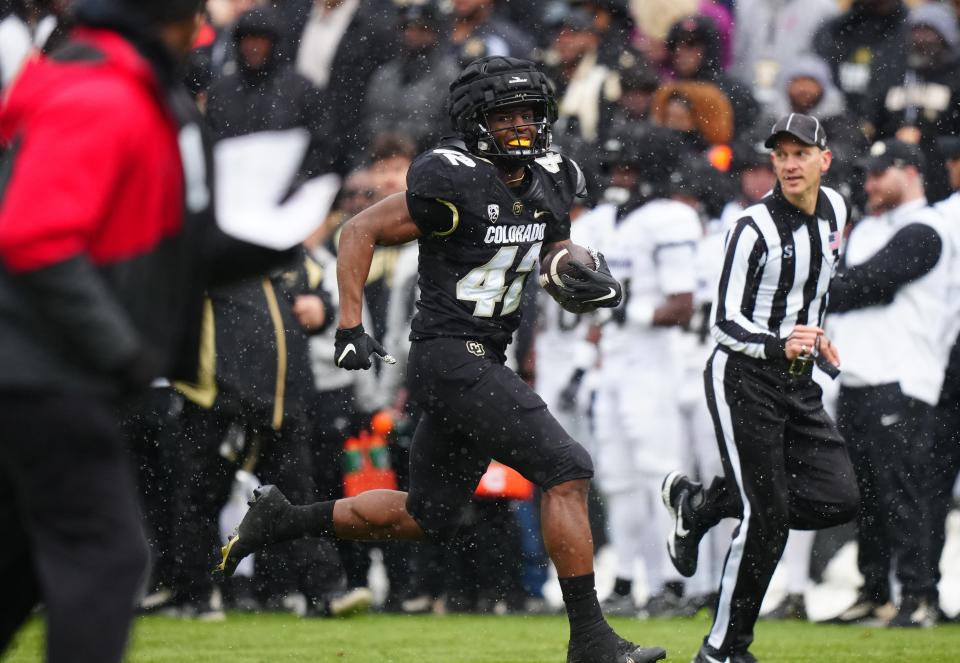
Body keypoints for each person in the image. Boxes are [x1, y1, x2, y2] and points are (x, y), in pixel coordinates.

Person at [218, 55, 667, 663]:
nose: (522, 128)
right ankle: (591, 639)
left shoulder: (552, 175)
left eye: (530, 114)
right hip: (451, 356)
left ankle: (284, 519)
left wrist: (580, 273)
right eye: (506, 117)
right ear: (476, 121)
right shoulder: (452, 179)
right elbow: (358, 231)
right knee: (568, 468)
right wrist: (349, 323)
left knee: (424, 515)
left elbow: (553, 247)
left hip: (482, 357)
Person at [0, 0, 306, 659]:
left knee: (21, 562)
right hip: (41, 370)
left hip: (39, 365)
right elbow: (34, 238)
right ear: (180, 24)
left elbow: (159, 242)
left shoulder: (122, 88)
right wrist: (124, 351)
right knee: (104, 556)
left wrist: (266, 244)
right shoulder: (105, 94)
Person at [661, 113, 860, 663]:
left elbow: (814, 290)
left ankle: (702, 503)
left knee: (837, 499)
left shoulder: (837, 210)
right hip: (743, 378)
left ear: (826, 159)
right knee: (766, 515)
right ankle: (722, 650)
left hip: (797, 382)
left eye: (802, 153)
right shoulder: (753, 228)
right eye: (781, 154)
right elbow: (723, 323)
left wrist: (818, 338)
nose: (791, 164)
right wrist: (780, 344)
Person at [827, 139, 955, 627]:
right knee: (866, 497)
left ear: (909, 171)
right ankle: (874, 590)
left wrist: (837, 289)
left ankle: (919, 596)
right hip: (860, 374)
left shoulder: (928, 227)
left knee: (904, 493)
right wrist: (842, 288)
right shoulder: (869, 227)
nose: (871, 184)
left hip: (903, 376)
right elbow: (849, 286)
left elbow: (869, 284)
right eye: (868, 174)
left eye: (881, 174)